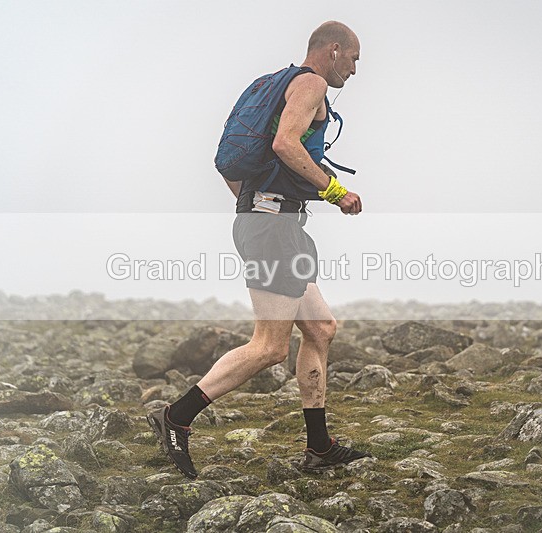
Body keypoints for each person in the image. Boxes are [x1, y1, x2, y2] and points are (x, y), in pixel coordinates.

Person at [147, 20, 371, 480]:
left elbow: (230, 163)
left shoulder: (273, 86)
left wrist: (255, 205)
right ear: (333, 50)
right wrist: (334, 191)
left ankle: (319, 447)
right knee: (269, 346)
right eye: (353, 59)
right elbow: (285, 143)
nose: (354, 70)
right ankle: (176, 417)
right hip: (272, 228)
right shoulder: (310, 84)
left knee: (321, 328)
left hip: (276, 224)